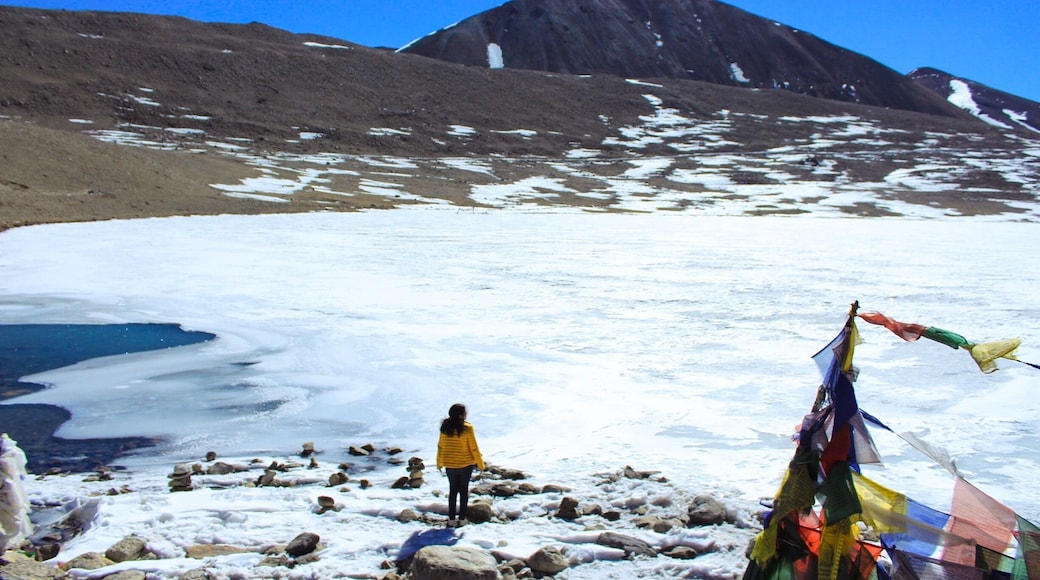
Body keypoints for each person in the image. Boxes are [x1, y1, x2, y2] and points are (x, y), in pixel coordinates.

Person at [436, 403, 485, 527]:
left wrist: (439, 463)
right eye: (465, 412)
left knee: (453, 491)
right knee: (463, 491)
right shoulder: (467, 428)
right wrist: (480, 464)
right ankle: (462, 519)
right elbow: (474, 448)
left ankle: (451, 519)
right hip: (465, 464)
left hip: (450, 464)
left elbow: (441, 446)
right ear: (461, 415)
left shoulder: (444, 427)